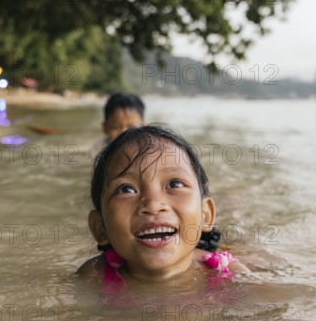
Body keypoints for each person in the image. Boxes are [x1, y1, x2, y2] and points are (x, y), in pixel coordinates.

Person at [78, 125, 250, 293]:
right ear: (100, 228)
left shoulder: (229, 274)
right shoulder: (94, 276)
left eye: (175, 184)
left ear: (205, 216)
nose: (153, 205)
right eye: (126, 189)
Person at [90, 93, 145, 157]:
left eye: (132, 127)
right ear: (105, 128)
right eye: (115, 127)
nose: (124, 132)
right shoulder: (98, 151)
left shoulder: (147, 148)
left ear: (144, 127)